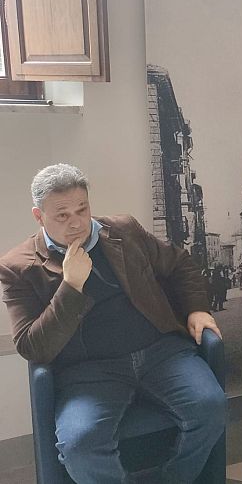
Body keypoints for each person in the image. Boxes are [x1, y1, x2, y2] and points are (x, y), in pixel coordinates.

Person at [0, 164, 226, 483]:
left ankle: (173, 478)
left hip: (161, 352)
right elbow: (31, 346)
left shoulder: (123, 230)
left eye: (82, 209)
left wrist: (196, 309)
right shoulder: (18, 268)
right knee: (79, 445)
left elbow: (179, 264)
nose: (77, 222)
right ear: (39, 216)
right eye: (62, 215)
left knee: (212, 408)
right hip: (89, 372)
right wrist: (70, 286)